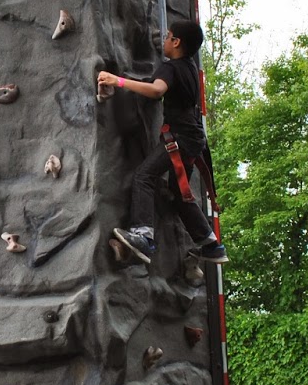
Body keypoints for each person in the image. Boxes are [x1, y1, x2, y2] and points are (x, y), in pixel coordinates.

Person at [98, 19, 230, 267]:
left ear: (176, 42)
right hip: (193, 140)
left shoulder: (171, 68)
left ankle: (143, 236)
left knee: (144, 176)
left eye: (168, 37)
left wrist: (119, 81)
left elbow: (157, 90)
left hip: (179, 139)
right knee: (180, 195)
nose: (165, 41)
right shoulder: (190, 68)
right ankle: (211, 245)